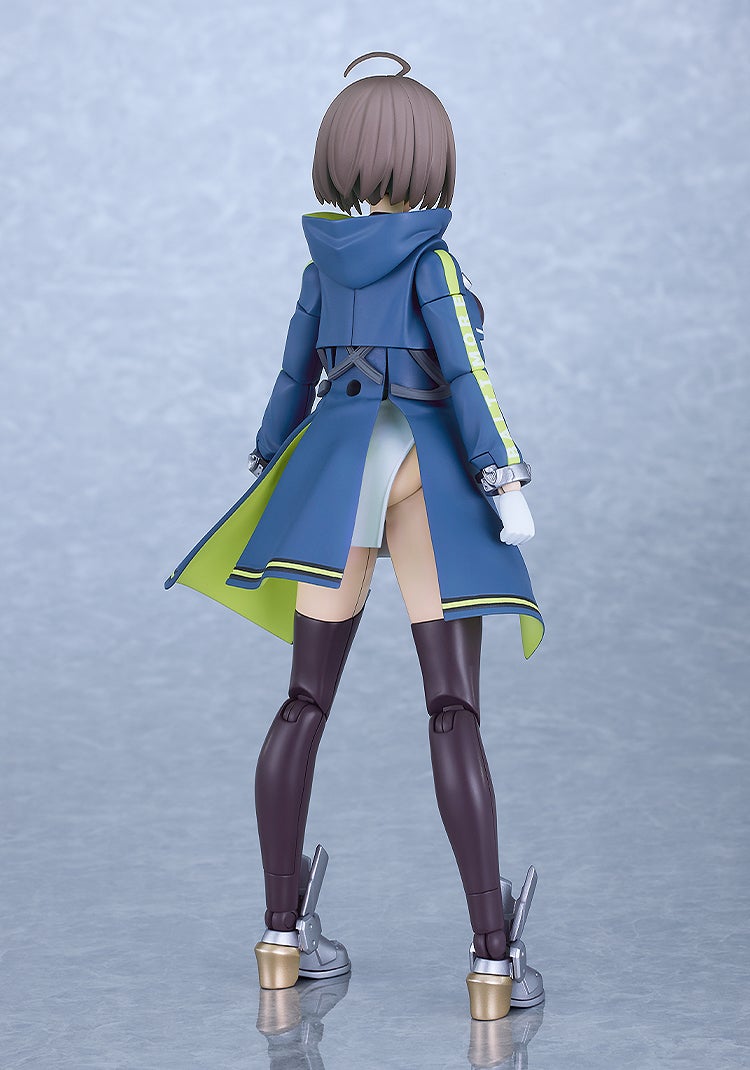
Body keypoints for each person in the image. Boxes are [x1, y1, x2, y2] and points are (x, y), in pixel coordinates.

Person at [166, 52, 545, 1021]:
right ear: (430, 156)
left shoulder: (320, 263)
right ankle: (492, 957)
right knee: (452, 707)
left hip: (335, 472)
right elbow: (467, 375)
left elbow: (291, 377)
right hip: (423, 468)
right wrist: (502, 473)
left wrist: (268, 462)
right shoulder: (432, 260)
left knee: (303, 698)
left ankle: (280, 934)